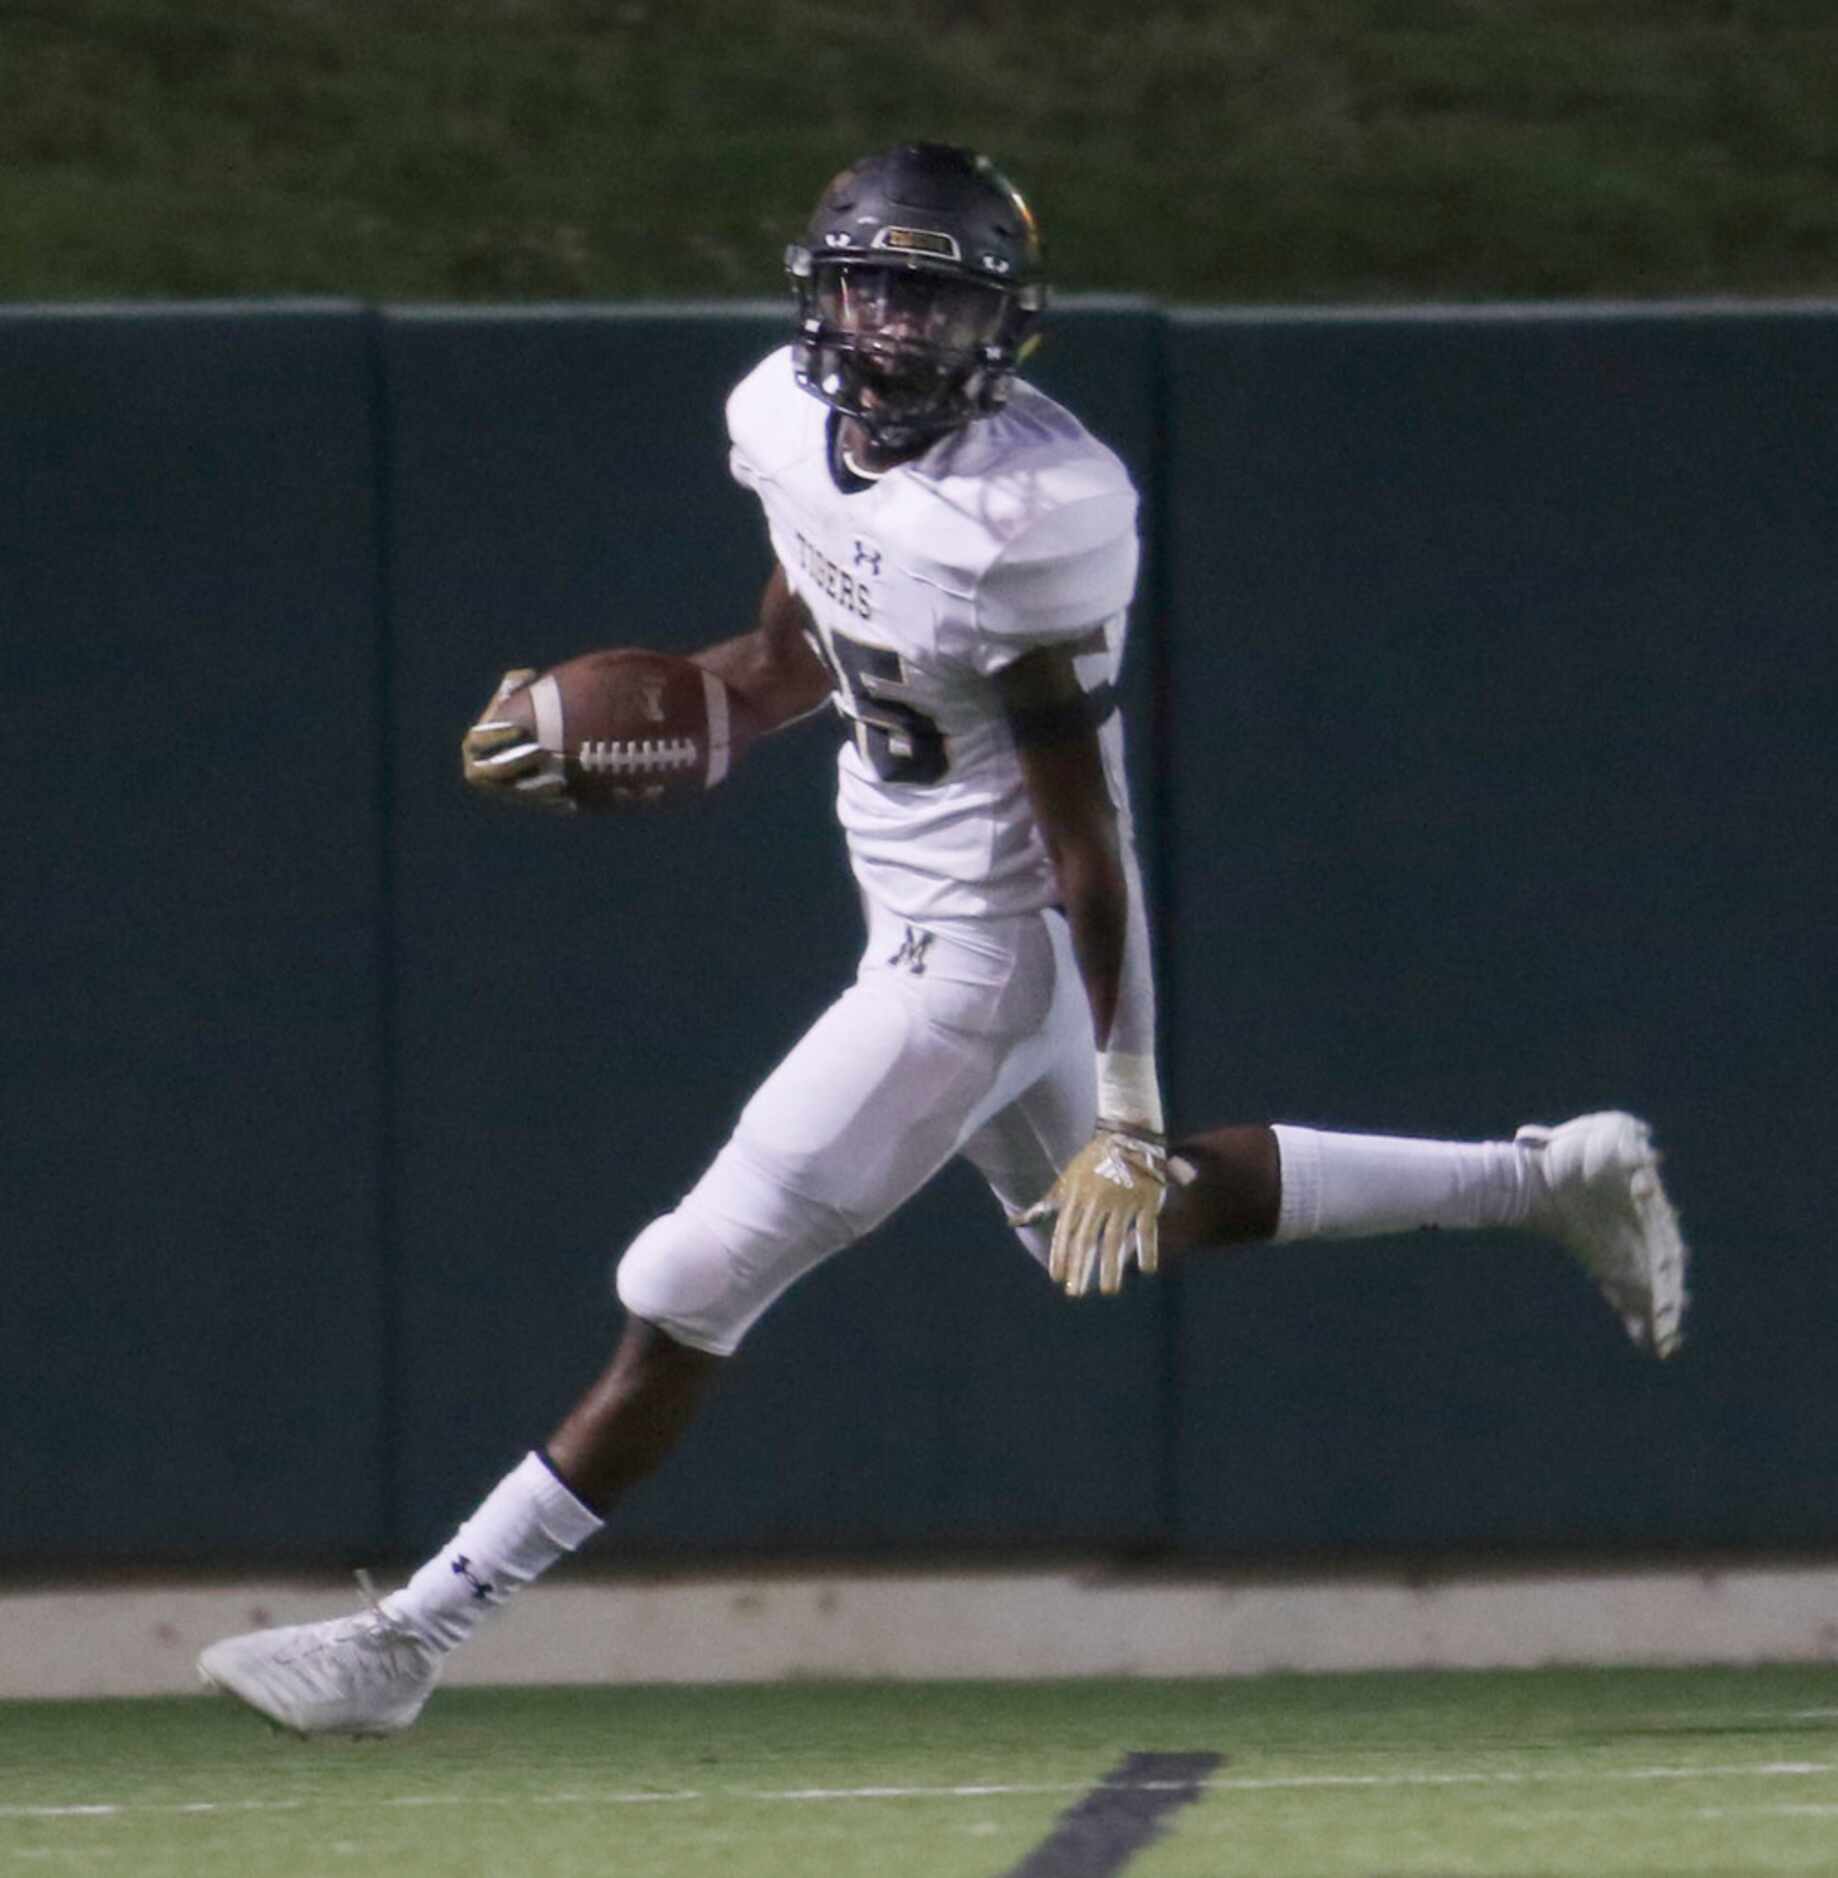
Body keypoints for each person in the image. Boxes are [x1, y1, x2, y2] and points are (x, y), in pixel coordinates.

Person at [197, 142, 1688, 1737]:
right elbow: (786, 662)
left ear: (1003, 326)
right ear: (820, 291)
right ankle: (1553, 1176)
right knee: (1116, 1225)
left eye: (935, 297)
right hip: (931, 914)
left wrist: (1120, 1099)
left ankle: (409, 1639)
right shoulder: (779, 416)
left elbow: (1083, 846)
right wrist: (667, 716)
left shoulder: (1022, 520)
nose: (896, 328)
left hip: (977, 956)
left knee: (685, 1278)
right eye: (872, 286)